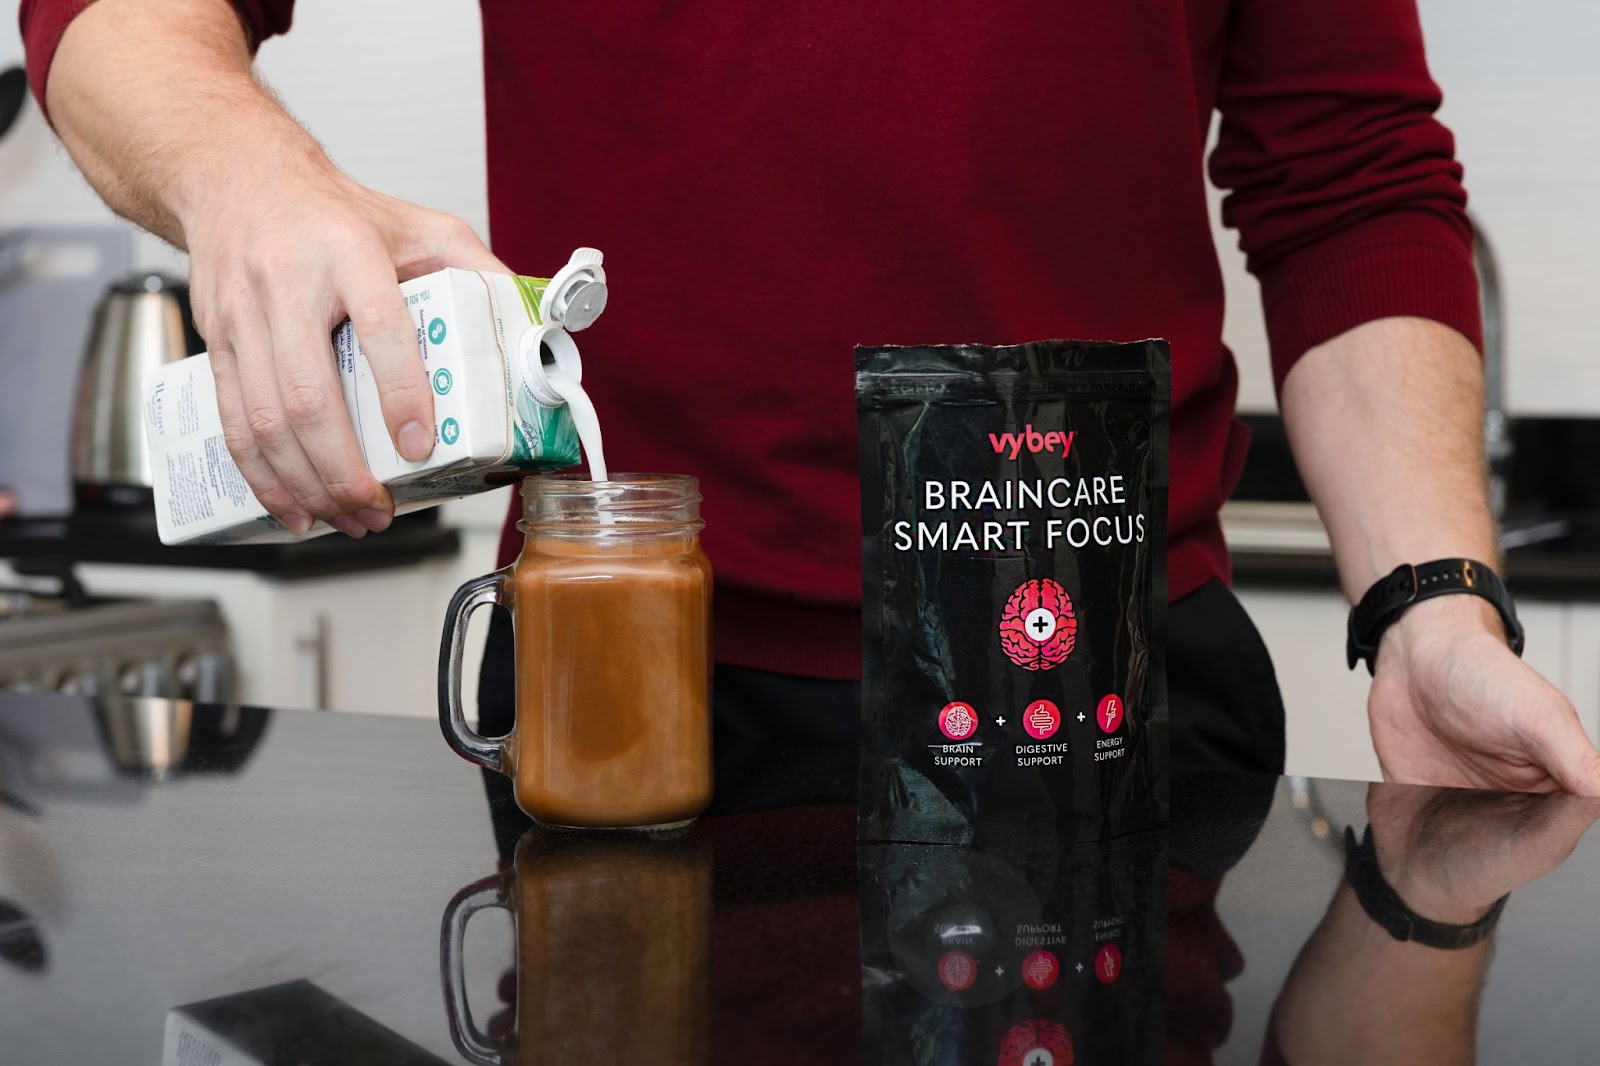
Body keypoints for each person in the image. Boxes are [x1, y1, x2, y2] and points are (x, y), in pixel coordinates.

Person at [21, 0, 1600, 793]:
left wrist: (1438, 605)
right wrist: (245, 174)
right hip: (646, 705)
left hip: (1115, 708)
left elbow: (1347, 181)